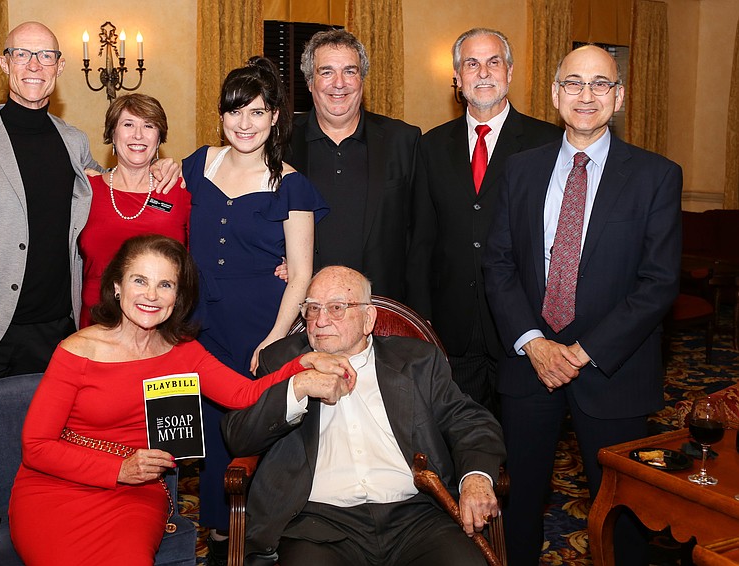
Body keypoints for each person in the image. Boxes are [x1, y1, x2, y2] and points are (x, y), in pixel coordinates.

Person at [9, 234, 355, 565]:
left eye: (166, 285)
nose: (152, 295)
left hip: (136, 492)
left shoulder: (184, 353)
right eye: (140, 281)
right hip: (56, 488)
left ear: (178, 297)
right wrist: (117, 468)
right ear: (117, 287)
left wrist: (302, 364)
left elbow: (243, 393)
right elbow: (36, 446)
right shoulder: (78, 351)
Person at [482, 45, 682, 565]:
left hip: (614, 372)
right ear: (554, 94)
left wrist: (580, 351)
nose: (586, 95)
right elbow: (499, 264)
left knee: (623, 513)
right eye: (573, 83)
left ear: (619, 97)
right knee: (519, 504)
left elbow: (658, 283)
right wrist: (535, 344)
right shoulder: (520, 170)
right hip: (529, 368)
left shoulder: (656, 176)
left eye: (600, 84)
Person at [0, 21, 181, 394]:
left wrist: (161, 164)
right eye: (22, 54)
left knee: (48, 447)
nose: (34, 65)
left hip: (59, 334)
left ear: (59, 67)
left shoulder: (73, 141)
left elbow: (113, 184)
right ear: (4, 63)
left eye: (45, 56)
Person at [223, 266, 506, 566]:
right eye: (312, 308)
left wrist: (475, 477)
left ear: (368, 318)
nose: (320, 321)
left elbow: (472, 423)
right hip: (317, 524)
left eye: (336, 308)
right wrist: (298, 386)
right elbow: (237, 435)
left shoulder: (417, 361)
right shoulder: (281, 361)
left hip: (416, 517)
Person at [182, 57, 328, 562]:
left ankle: (254, 541)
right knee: (194, 434)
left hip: (260, 327)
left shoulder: (293, 186)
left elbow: (303, 273)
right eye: (235, 111)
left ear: (274, 120)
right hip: (195, 327)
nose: (244, 123)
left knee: (255, 434)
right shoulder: (196, 165)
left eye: (257, 112)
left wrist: (275, 337)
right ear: (221, 115)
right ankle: (210, 535)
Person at [406, 28, 561, 415]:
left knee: (524, 456)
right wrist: (422, 323)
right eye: (471, 64)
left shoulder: (549, 143)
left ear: (509, 71)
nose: (484, 72)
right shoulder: (430, 145)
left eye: (494, 62)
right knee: (462, 449)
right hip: (452, 330)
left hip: (525, 330)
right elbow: (422, 239)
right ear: (457, 79)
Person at [287, 29, 420, 301]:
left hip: (383, 306)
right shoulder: (281, 143)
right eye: (326, 72)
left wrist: (423, 312)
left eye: (350, 71)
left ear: (362, 80)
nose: (339, 83)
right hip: (304, 309)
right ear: (310, 82)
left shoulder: (404, 140)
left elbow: (422, 237)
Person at [78, 93, 191, 328]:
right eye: (128, 124)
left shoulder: (178, 190)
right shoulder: (86, 192)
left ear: (159, 138)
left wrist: (283, 260)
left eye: (148, 126)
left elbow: (209, 249)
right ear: (112, 134)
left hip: (161, 324)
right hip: (97, 324)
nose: (138, 135)